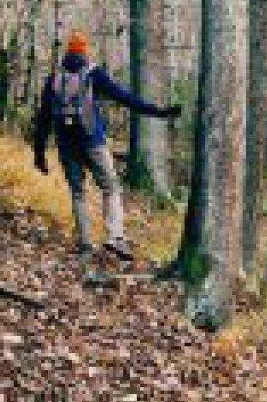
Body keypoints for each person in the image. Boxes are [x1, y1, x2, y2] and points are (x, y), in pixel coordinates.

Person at [33, 30, 180, 260]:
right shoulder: (94, 74)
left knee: (78, 192)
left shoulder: (54, 79)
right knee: (110, 187)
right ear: (85, 51)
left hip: (66, 145)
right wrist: (160, 112)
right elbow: (126, 98)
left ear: (67, 52)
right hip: (93, 142)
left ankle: (85, 244)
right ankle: (115, 237)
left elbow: (43, 118)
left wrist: (39, 153)